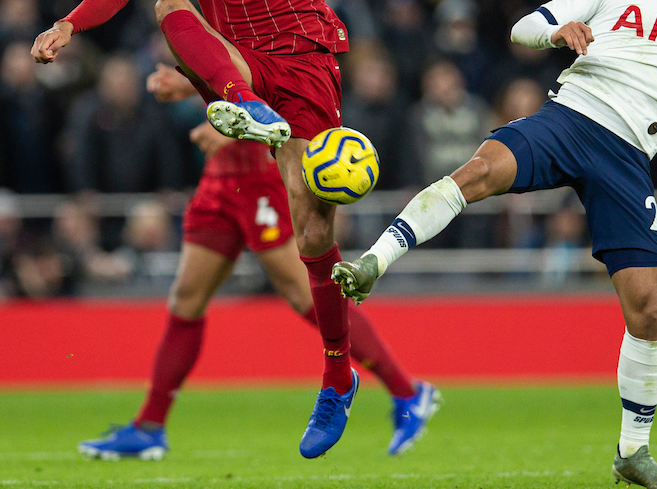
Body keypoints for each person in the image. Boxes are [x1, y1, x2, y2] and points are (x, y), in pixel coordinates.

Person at [31, 0, 534, 458]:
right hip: (244, 69)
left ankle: (337, 376)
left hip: (307, 70)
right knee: (170, 1)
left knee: (314, 233)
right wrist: (71, 22)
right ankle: (244, 107)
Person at [333, 0, 657, 489]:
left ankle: (633, 451)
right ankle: (374, 261)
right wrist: (558, 30)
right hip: (571, 117)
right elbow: (524, 26)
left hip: (627, 159)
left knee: (647, 309)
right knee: (478, 171)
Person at [78, 65, 440, 460]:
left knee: (308, 298)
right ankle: (150, 426)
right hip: (220, 180)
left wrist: (223, 128)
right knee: (186, 298)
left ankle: (407, 391)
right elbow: (226, 69)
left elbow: (264, 77)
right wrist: (189, 81)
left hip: (261, 175)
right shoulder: (210, 16)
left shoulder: (258, 10)